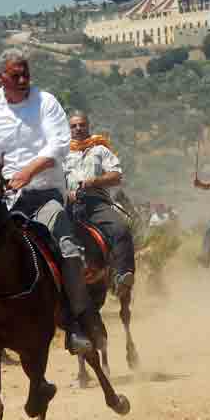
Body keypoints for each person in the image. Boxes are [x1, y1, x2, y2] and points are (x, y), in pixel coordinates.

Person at [0, 47, 96, 363]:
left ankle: (76, 322)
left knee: (66, 244)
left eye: (26, 73)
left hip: (43, 193)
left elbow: (58, 144)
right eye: (16, 75)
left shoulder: (46, 103)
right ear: (1, 77)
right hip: (1, 197)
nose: (24, 79)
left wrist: (28, 172)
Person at [64, 111, 136, 294]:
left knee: (121, 228)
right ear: (68, 129)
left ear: (88, 126)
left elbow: (116, 175)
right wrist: (66, 193)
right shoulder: (61, 152)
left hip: (96, 203)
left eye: (82, 125)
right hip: (68, 204)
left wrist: (93, 181)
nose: (78, 129)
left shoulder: (101, 149)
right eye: (74, 126)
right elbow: (53, 179)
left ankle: (122, 275)